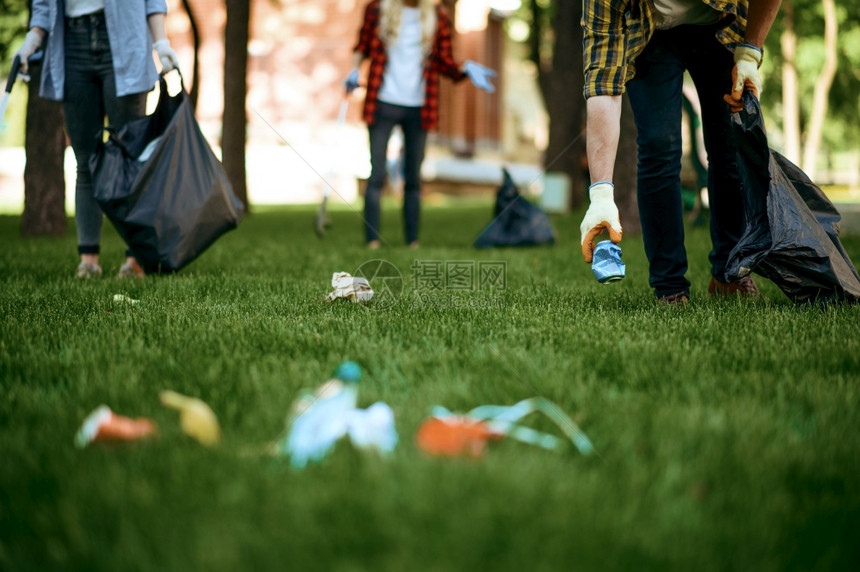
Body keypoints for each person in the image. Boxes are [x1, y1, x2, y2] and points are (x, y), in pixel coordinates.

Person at [579, 0, 782, 304]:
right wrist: (601, 195)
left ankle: (731, 273)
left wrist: (751, 51)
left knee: (729, 145)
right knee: (659, 145)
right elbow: (603, 84)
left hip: (719, 25)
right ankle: (669, 285)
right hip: (649, 34)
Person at [14, 0, 179, 279]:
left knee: (130, 157)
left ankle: (134, 258)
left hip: (126, 41)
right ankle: (88, 262)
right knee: (86, 161)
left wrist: (160, 42)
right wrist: (32, 40)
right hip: (70, 45)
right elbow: (43, 5)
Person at [347, 0, 497, 249]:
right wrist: (353, 71)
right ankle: (372, 240)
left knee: (413, 178)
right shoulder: (377, 9)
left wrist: (465, 69)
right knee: (377, 174)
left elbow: (444, 61)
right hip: (382, 102)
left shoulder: (437, 15)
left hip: (420, 107)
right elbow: (361, 46)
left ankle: (412, 241)